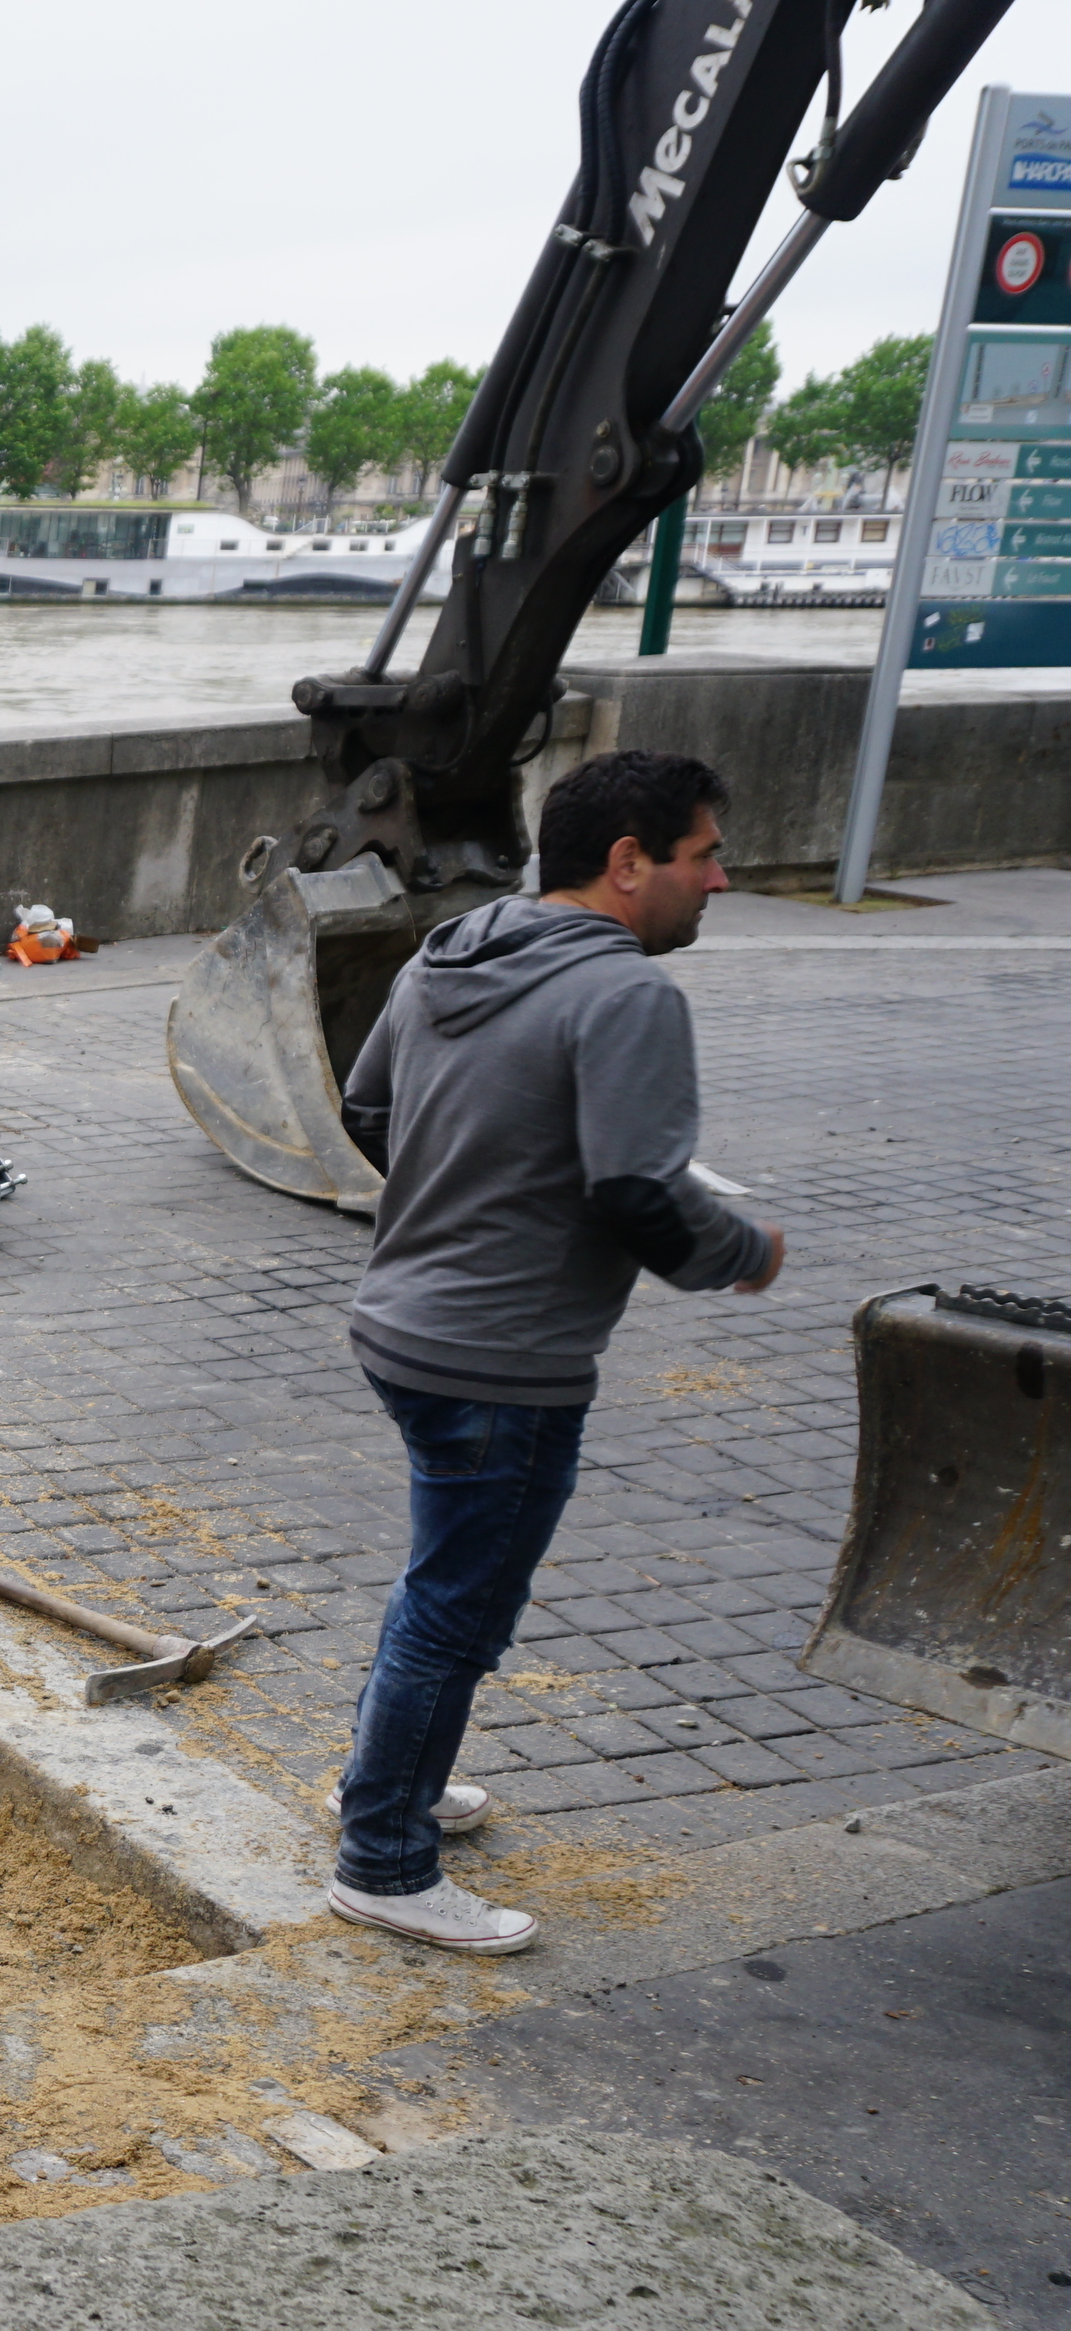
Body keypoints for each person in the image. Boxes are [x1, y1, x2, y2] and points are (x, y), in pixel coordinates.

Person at [330, 749, 785, 1955]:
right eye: (703, 856)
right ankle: (381, 1860)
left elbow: (366, 1110)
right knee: (459, 1611)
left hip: (401, 1321)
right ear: (628, 864)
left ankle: (390, 1787)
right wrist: (741, 1249)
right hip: (500, 1359)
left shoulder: (459, 944)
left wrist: (461, 1198)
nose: (719, 880)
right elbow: (636, 1189)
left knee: (437, 1584)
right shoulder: (627, 996)